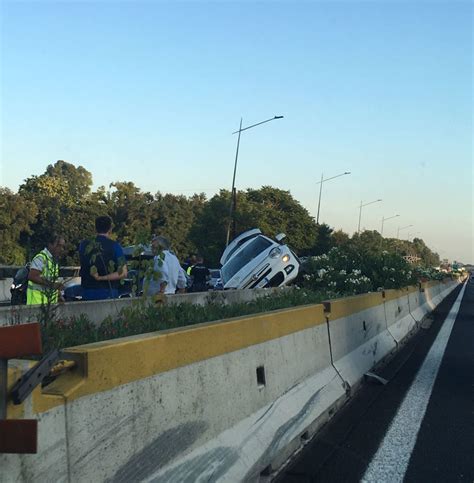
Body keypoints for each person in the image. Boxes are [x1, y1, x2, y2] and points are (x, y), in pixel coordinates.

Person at [79, 215, 127, 300]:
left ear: (95, 228)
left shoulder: (83, 245)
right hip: (109, 292)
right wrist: (102, 278)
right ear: (110, 229)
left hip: (87, 291)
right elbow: (123, 272)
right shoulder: (115, 246)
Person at [27, 232, 66, 305]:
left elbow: (53, 281)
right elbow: (32, 276)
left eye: (63, 247)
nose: (61, 249)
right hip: (36, 303)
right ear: (50, 245)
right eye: (58, 246)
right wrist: (52, 285)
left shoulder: (53, 261)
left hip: (49, 304)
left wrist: (59, 295)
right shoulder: (41, 258)